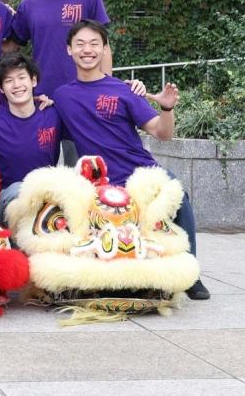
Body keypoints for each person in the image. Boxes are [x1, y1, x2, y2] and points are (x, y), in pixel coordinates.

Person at [52, 20, 209, 300]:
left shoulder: (123, 90)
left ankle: (191, 274)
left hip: (140, 173)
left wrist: (166, 107)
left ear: (104, 49)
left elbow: (162, 133)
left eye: (94, 44)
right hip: (100, 182)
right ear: (69, 49)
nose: (87, 50)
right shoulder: (62, 96)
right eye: (80, 44)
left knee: (177, 192)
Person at [0, 52, 61, 224]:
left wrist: (127, 87)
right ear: (1, 88)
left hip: (47, 196)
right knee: (19, 192)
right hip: (9, 199)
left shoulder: (53, 114)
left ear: (33, 81)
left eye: (21, 77)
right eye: (9, 80)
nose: (17, 85)